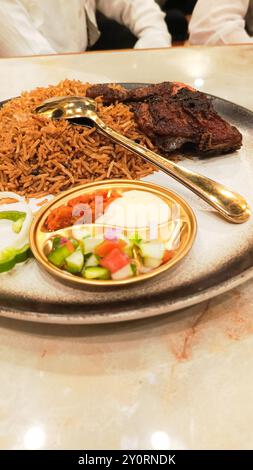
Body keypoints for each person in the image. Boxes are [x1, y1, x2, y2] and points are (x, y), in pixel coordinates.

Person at [0, 0, 171, 57]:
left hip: (79, 65)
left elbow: (135, 4)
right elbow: (32, 60)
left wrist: (154, 38)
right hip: (23, 89)